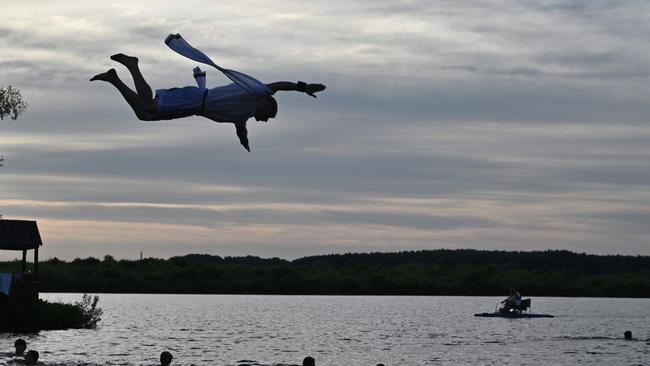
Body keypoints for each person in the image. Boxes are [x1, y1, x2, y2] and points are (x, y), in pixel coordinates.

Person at [91, 34, 325, 151]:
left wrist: (245, 142)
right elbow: (277, 86)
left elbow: (241, 130)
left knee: (144, 114)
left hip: (193, 107)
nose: (265, 120)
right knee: (148, 105)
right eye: (268, 116)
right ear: (266, 104)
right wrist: (302, 88)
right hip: (195, 99)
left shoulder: (242, 115)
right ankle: (133, 65)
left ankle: (113, 79)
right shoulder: (255, 94)